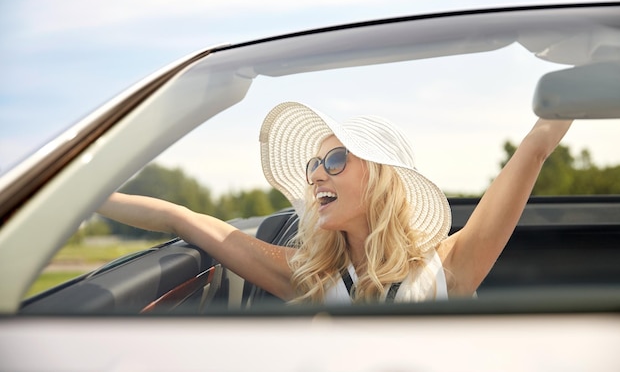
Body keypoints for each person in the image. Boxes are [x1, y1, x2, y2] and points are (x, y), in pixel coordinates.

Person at [98, 101, 572, 304]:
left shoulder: (450, 265)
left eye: (337, 158)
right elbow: (177, 216)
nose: (317, 173)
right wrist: (82, 200)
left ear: (382, 179)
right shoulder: (308, 275)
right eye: (314, 164)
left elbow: (533, 149)